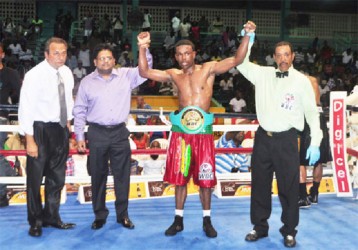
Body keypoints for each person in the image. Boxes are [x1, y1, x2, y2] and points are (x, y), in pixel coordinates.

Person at [137, 26, 250, 238]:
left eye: (187, 53)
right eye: (179, 54)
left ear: (194, 54)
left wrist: (247, 36)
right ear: (175, 56)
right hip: (181, 135)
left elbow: (237, 60)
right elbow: (144, 72)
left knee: (205, 179)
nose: (183, 58)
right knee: (179, 179)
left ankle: (207, 220)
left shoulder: (208, 69)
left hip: (203, 134)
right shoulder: (174, 74)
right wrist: (142, 47)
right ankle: (178, 220)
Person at [236, 21, 322, 248]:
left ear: (293, 56)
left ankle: (290, 230)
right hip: (263, 137)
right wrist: (248, 38)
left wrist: (316, 141)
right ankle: (259, 227)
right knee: (260, 185)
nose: (283, 58)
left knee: (289, 188)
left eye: (287, 54)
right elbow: (241, 63)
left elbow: (312, 114)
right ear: (274, 57)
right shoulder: (263, 74)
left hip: (287, 140)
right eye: (279, 55)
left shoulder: (302, 82)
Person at [73, 43, 152, 230]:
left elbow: (146, 67)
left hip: (119, 133)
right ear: (95, 62)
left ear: (114, 60)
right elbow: (79, 110)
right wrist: (79, 136)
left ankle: (122, 215)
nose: (105, 61)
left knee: (122, 176)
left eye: (109, 58)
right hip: (96, 132)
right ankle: (99, 215)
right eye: (101, 58)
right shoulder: (86, 82)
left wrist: (143, 47)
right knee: (97, 176)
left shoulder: (126, 75)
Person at [18, 37, 75, 237]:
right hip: (39, 130)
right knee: (35, 180)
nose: (60, 57)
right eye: (56, 53)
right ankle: (35, 221)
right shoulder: (34, 75)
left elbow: (67, 101)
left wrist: (68, 127)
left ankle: (52, 216)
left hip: (60, 129)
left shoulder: (67, 73)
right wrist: (30, 139)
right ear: (46, 54)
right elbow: (25, 108)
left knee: (57, 178)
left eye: (64, 52)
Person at [298, 75, 332, 208]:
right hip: (320, 117)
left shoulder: (298, 80)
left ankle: (302, 196)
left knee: (300, 158)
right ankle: (315, 193)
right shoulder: (314, 81)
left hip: (308, 117)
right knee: (319, 159)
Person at [0, 42, 22, 207]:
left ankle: (3, 192)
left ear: (2, 55)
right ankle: (13, 179)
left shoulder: (10, 73)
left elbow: (20, 95)